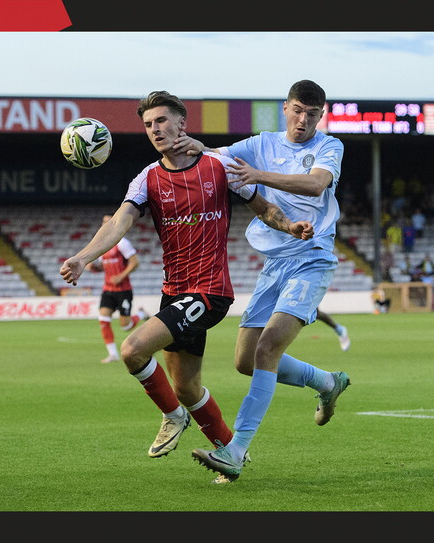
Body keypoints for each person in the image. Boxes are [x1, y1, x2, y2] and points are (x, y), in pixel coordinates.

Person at [59, 91, 314, 478]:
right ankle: (232, 454)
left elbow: (264, 208)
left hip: (210, 291)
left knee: (131, 350)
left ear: (182, 122)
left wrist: (290, 226)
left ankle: (172, 417)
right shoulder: (147, 178)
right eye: (148, 125)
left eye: (161, 121)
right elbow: (119, 223)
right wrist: (83, 257)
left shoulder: (218, 165)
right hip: (173, 292)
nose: (155, 130)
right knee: (187, 387)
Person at [175, 79, 351, 482]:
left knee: (268, 348)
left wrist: (258, 175)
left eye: (312, 113)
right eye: (297, 110)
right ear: (285, 108)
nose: (303, 120)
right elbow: (218, 157)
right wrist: (188, 144)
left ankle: (236, 450)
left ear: (320, 115)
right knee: (244, 360)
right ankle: (327, 382)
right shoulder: (262, 142)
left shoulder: (329, 147)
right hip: (276, 263)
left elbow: (316, 183)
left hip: (312, 257)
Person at [87, 214, 147, 363]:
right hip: (108, 290)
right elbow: (103, 267)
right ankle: (113, 354)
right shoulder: (102, 245)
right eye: (104, 222)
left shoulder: (122, 243)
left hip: (123, 290)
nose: (105, 225)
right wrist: (93, 267)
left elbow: (135, 262)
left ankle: (140, 314)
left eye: (109, 222)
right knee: (103, 319)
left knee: (125, 326)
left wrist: (121, 276)